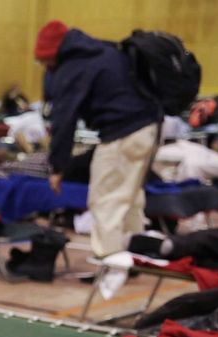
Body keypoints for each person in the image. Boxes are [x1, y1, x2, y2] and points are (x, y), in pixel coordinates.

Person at [35, 20, 159, 257]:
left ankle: (110, 264)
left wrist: (58, 167)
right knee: (130, 198)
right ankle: (136, 256)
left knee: (104, 201)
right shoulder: (104, 50)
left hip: (122, 133)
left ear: (51, 54)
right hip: (150, 128)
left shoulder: (73, 66)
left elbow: (64, 121)